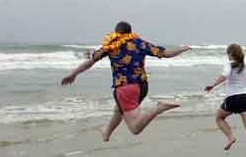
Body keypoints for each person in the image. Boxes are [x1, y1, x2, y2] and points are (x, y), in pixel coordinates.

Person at [61, 21, 189, 141]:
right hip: (142, 86)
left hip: (125, 88)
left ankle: (159, 108)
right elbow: (166, 53)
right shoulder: (140, 43)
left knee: (135, 128)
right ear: (130, 32)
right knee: (119, 109)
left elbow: (89, 62)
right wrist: (182, 48)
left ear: (116, 32)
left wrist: (73, 74)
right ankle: (107, 133)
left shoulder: (110, 46)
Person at [204, 44, 246, 157]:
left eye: (228, 54)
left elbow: (225, 75)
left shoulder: (229, 64)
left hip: (233, 98)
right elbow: (244, 83)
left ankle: (230, 137)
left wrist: (213, 85)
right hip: (245, 98)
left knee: (219, 118)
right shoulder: (244, 66)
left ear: (231, 54)